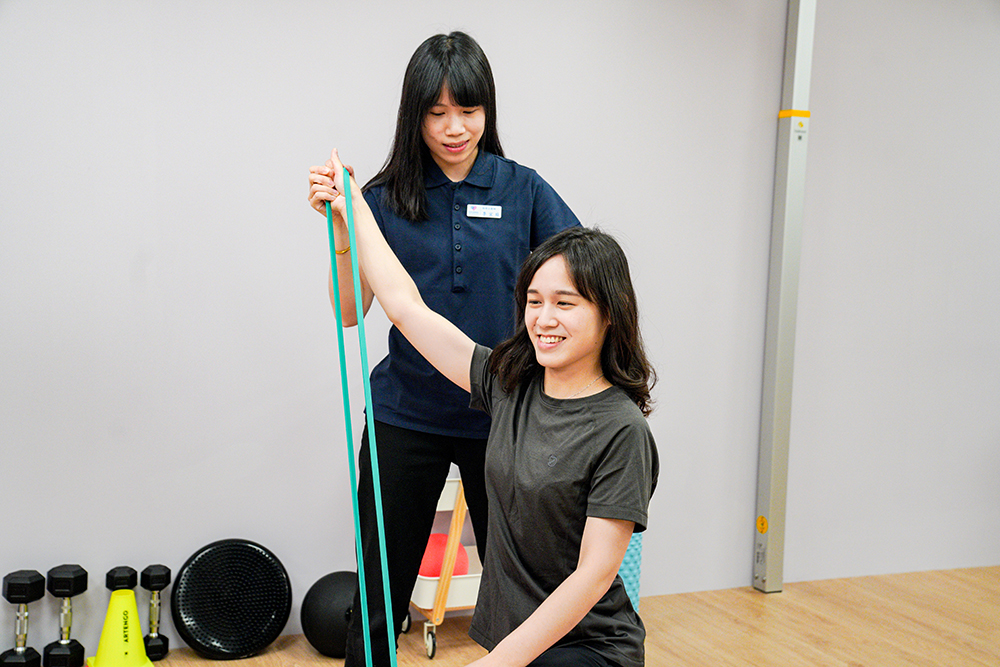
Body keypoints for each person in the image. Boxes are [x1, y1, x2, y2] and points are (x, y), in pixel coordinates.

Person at [312, 149, 658, 667]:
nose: (543, 319)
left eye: (565, 303)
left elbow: (591, 578)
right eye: (534, 301)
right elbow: (405, 307)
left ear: (609, 314)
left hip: (589, 648)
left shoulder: (621, 430)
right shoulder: (507, 386)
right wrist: (354, 206)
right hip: (522, 647)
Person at [307, 31, 580, 666]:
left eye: (469, 110)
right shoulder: (383, 197)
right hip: (406, 415)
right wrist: (344, 228)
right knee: (378, 598)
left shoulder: (523, 190)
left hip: (504, 415)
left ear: (488, 110)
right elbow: (349, 312)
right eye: (437, 113)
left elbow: (580, 279)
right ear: (415, 116)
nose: (455, 128)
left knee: (526, 593)